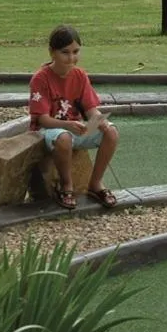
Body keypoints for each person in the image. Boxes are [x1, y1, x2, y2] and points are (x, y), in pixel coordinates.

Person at [29, 24, 120, 210]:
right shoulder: (40, 78)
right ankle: (66, 186)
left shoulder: (80, 75)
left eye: (76, 51)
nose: (71, 58)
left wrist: (99, 120)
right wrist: (68, 124)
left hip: (75, 128)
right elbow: (42, 119)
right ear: (52, 52)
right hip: (50, 131)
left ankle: (95, 184)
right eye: (65, 52)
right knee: (63, 138)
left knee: (111, 132)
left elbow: (91, 109)